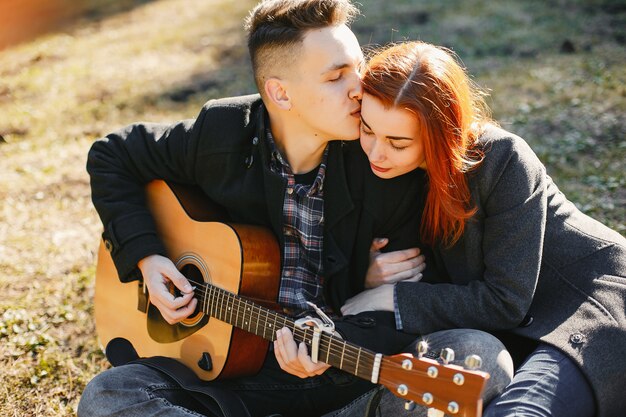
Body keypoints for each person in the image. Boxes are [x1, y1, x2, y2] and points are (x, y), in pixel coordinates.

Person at [79, 1, 512, 417]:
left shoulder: (380, 159)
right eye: (336, 76)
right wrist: (148, 258)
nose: (360, 87)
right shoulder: (223, 133)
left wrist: (335, 334)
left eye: (358, 67)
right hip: (231, 383)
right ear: (280, 94)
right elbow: (112, 156)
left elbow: (403, 310)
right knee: (109, 394)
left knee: (476, 356)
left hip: (345, 375)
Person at [340, 40, 626, 417]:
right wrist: (372, 274)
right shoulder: (388, 170)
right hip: (502, 336)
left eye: (398, 142)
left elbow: (505, 301)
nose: (377, 152)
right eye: (368, 129)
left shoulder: (502, 160)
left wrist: (391, 298)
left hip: (584, 308)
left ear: (440, 136)